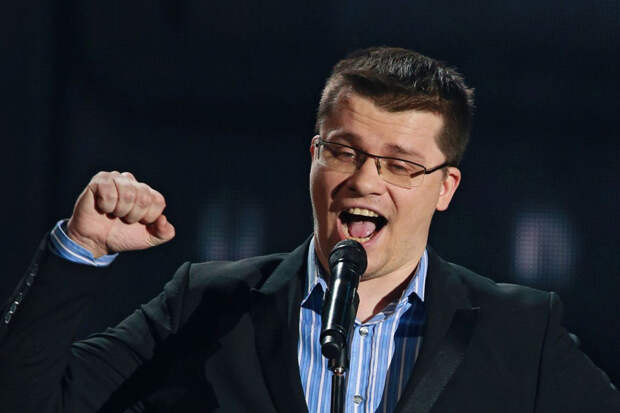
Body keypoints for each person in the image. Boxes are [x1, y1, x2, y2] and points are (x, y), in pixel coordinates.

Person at [0, 47, 618, 413]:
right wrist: (80, 249)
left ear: (445, 187)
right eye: (344, 152)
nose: (364, 181)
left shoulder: (521, 332)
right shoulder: (207, 306)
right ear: (314, 156)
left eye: (400, 165)